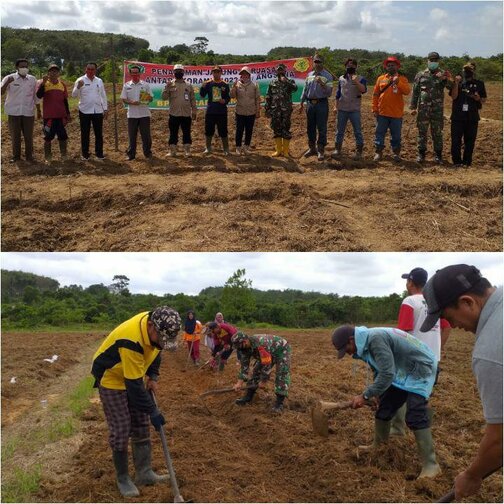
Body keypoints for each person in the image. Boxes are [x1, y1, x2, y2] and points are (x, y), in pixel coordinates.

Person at [420, 264, 502, 501]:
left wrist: (472, 475)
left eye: (447, 317)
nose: (452, 326)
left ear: (468, 302)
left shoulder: (490, 352)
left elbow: (500, 438)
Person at [91, 307, 181, 498]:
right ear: (151, 327)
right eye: (162, 338)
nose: (164, 343)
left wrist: (153, 376)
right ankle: (123, 478)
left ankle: (144, 472)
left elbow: (157, 350)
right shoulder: (131, 340)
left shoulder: (156, 328)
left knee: (141, 423)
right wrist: (153, 411)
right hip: (112, 377)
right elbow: (133, 387)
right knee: (122, 427)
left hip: (132, 374)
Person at [332, 325, 440, 479]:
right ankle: (379, 446)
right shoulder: (365, 342)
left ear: (351, 339)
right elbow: (379, 369)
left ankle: (431, 465)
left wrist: (365, 396)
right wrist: (377, 394)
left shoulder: (375, 338)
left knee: (415, 414)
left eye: (346, 348)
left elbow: (387, 373)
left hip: (422, 368)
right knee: (384, 408)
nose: (348, 353)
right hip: (403, 370)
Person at [391, 267, 451, 436]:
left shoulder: (409, 301)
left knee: (399, 390)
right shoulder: (435, 302)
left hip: (412, 359)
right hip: (433, 359)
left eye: (407, 281)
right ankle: (426, 431)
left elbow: (402, 332)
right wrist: (438, 349)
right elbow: (447, 328)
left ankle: (397, 429)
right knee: (423, 394)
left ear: (410, 282)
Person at [410, 52, 454, 164]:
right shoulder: (420, 74)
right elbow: (415, 91)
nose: (433, 62)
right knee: (422, 132)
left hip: (437, 110)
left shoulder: (444, 73)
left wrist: (444, 79)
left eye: (435, 60)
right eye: (431, 60)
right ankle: (421, 154)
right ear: (428, 60)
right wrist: (413, 107)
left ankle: (438, 155)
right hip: (423, 109)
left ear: (438, 61)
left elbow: (451, 87)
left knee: (437, 132)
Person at [231, 332, 291, 413]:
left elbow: (267, 364)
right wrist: (239, 383)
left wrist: (263, 380)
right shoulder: (243, 349)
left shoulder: (261, 344)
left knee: (281, 373)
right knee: (256, 371)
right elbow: (244, 367)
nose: (239, 349)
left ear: (245, 341)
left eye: (239, 346)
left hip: (281, 349)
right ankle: (248, 397)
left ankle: (279, 403)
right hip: (267, 353)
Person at [1, 58, 40, 163]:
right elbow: (1, 92)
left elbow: (35, 96)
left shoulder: (32, 79)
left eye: (26, 66)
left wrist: (39, 110)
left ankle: (29, 156)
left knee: (28, 136)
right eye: (22, 66)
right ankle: (16, 157)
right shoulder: (9, 78)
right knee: (15, 136)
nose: (24, 68)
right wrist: (7, 83)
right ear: (16, 67)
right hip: (14, 112)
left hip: (28, 111)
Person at [372, 56, 411, 162]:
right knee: (379, 134)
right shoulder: (381, 78)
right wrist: (374, 108)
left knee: (396, 136)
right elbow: (375, 94)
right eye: (388, 65)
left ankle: (396, 154)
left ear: (397, 66)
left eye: (393, 65)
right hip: (382, 113)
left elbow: (407, 91)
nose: (390, 67)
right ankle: (378, 153)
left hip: (396, 114)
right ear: (386, 67)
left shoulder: (403, 79)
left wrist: (398, 82)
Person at [449, 62, 487, 167]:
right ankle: (456, 162)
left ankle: (467, 162)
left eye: (470, 70)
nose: (467, 72)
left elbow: (484, 100)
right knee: (456, 140)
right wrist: (456, 83)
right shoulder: (458, 83)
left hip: (472, 117)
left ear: (474, 71)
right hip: (457, 116)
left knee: (470, 141)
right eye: (466, 70)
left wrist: (478, 98)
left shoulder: (479, 84)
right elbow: (453, 97)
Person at [331, 58, 367, 160]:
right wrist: (335, 106)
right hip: (342, 109)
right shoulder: (341, 78)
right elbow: (338, 94)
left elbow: (363, 90)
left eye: (352, 65)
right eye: (348, 65)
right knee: (340, 131)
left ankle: (359, 152)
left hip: (354, 109)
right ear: (345, 66)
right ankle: (337, 149)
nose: (350, 67)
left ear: (356, 67)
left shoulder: (360, 78)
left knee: (357, 131)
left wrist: (356, 81)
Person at [72, 62, 108, 161]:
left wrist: (105, 108)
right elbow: (74, 95)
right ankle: (85, 154)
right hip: (84, 111)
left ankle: (99, 154)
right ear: (85, 69)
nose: (90, 71)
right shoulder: (80, 80)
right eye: (89, 69)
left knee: (98, 133)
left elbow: (103, 95)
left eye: (92, 69)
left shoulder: (99, 81)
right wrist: (78, 87)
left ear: (95, 70)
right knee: (85, 133)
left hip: (97, 110)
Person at [300, 54, 334, 161]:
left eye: (319, 62)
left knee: (322, 127)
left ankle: (321, 149)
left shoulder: (327, 76)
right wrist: (301, 102)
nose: (317, 64)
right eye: (315, 62)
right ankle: (312, 148)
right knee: (310, 127)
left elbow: (329, 92)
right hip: (310, 104)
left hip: (322, 104)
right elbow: (305, 89)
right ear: (313, 63)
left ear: (322, 63)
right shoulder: (309, 75)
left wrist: (322, 84)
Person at [36, 64, 72, 164]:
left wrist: (68, 114)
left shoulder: (62, 85)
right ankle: (48, 157)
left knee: (63, 135)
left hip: (60, 115)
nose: (54, 73)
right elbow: (39, 95)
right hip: (49, 116)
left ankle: (64, 155)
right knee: (48, 136)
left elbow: (65, 101)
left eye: (56, 71)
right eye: (51, 71)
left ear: (58, 73)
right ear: (48, 73)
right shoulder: (44, 84)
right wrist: (43, 84)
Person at [161, 64, 197, 157]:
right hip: (174, 113)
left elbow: (192, 99)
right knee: (173, 133)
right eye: (176, 71)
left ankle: (187, 151)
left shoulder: (188, 85)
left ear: (183, 72)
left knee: (187, 133)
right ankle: (173, 151)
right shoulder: (170, 84)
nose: (178, 73)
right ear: (174, 73)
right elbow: (164, 98)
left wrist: (194, 110)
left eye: (180, 71)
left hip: (186, 114)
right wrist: (166, 88)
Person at [120, 64, 153, 161]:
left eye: (136, 72)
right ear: (130, 74)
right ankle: (131, 155)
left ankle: (147, 153)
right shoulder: (126, 85)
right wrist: (132, 102)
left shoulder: (145, 85)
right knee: (132, 135)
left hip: (144, 114)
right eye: (133, 72)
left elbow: (151, 98)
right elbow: (124, 99)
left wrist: (145, 98)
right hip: (132, 114)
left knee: (146, 135)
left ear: (140, 73)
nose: (135, 74)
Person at [264, 63, 298, 158]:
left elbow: (295, 88)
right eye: (278, 70)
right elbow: (268, 96)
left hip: (286, 110)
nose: (280, 71)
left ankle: (286, 151)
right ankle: (278, 150)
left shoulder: (290, 81)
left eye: (282, 70)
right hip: (275, 110)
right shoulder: (272, 82)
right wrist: (267, 109)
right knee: (276, 129)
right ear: (276, 71)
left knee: (286, 129)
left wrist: (286, 81)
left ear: (285, 71)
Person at [199, 65, 231, 155]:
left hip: (221, 112)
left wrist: (224, 101)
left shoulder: (225, 84)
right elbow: (202, 96)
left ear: (221, 73)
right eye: (214, 72)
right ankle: (208, 148)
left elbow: (228, 98)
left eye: (218, 72)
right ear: (212, 73)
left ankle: (226, 149)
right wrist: (202, 87)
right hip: (211, 111)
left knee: (223, 130)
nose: (216, 74)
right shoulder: (208, 84)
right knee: (208, 130)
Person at [230, 66, 261, 155]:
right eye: (243, 74)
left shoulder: (254, 85)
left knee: (249, 130)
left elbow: (257, 99)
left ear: (249, 75)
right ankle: (238, 147)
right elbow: (232, 96)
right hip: (240, 111)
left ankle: (246, 147)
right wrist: (233, 88)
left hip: (251, 112)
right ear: (241, 75)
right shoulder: (237, 84)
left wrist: (258, 111)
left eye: (246, 74)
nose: (244, 75)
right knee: (239, 130)